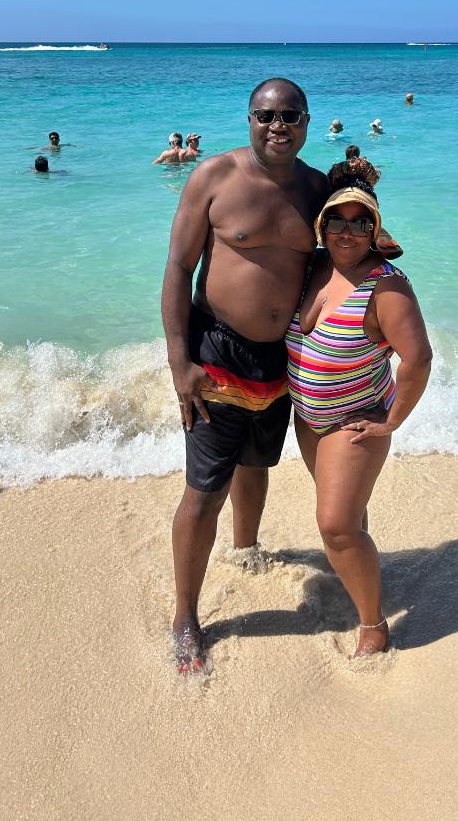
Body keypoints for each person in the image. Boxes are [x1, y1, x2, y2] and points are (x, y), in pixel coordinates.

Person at [161, 78, 327, 674]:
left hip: (283, 359)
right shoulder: (214, 177)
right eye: (266, 115)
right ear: (249, 120)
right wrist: (179, 361)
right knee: (205, 488)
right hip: (215, 354)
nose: (277, 125)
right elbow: (179, 269)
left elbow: (350, 257)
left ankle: (246, 549)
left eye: (289, 115)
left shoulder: (316, 188)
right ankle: (186, 615)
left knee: (257, 465)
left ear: (307, 122)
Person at [285, 161, 432, 657]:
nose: (348, 231)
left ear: (375, 228)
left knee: (335, 525)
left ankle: (373, 624)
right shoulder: (316, 267)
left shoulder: (386, 287)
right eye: (338, 221)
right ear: (322, 225)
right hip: (308, 418)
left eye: (360, 222)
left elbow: (419, 358)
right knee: (349, 517)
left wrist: (392, 421)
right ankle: (358, 567)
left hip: (355, 419)